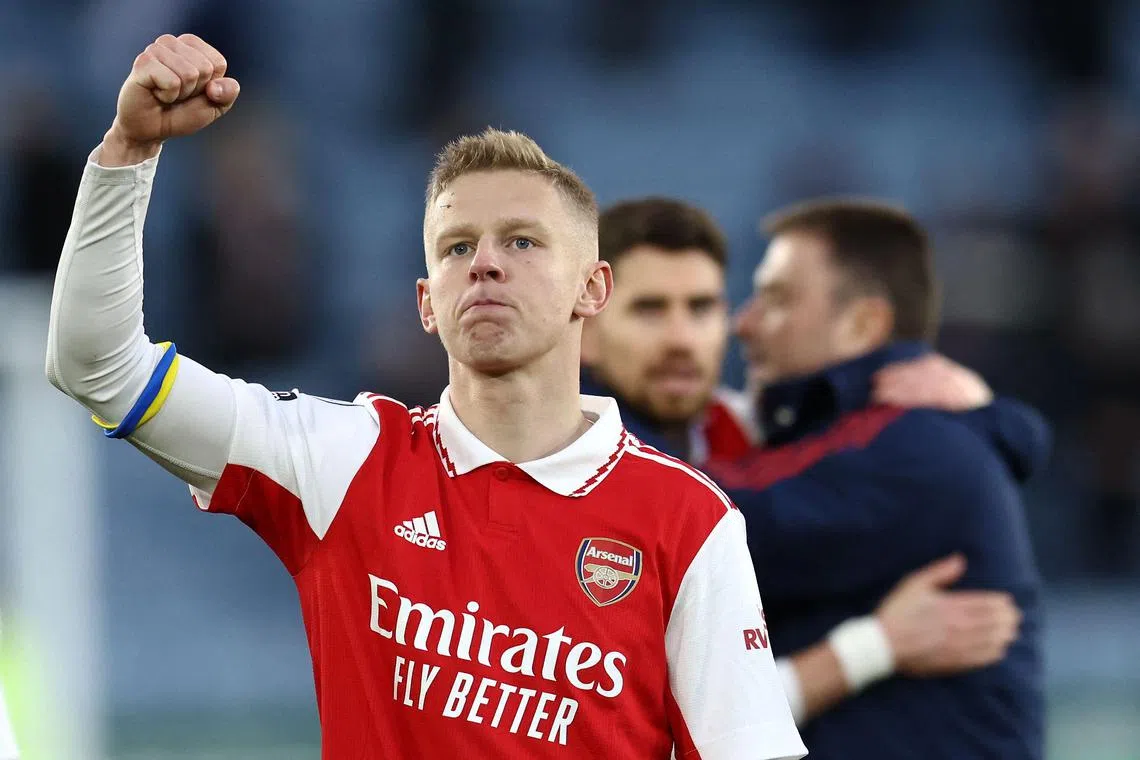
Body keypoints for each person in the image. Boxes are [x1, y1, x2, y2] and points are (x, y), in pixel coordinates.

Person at [44, 34, 805, 760]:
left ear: (593, 288)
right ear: (426, 303)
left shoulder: (688, 521)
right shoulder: (342, 461)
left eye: (524, 241)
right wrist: (128, 152)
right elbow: (99, 365)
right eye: (456, 247)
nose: (485, 265)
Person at [582, 196, 1044, 726]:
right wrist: (876, 646)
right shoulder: (564, 464)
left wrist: (992, 416)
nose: (684, 338)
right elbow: (657, 719)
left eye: (703, 307)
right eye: (649, 310)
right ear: (585, 329)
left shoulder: (738, 427)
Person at [709, 198, 1045, 759]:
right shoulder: (887, 438)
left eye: (778, 298)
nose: (743, 323)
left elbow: (694, 528)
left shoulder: (912, 450)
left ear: (865, 323)